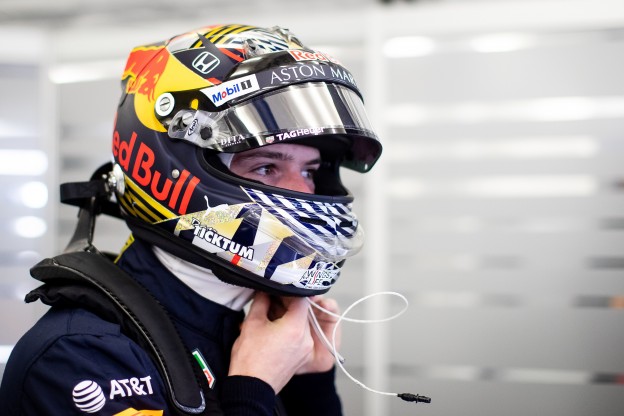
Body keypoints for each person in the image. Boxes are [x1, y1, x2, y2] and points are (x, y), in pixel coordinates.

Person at [0, 23, 382, 415]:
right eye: (267, 167)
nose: (304, 192)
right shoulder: (79, 359)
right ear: (170, 170)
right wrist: (253, 391)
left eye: (310, 171)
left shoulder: (253, 328)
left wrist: (310, 386)